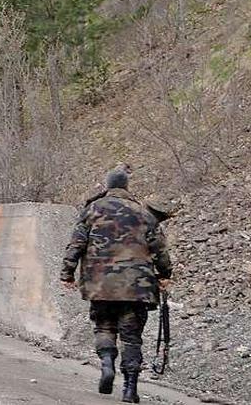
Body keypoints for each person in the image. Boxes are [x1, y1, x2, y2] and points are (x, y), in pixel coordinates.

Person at [61, 168, 173, 403]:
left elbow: (76, 244)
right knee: (131, 338)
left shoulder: (91, 210)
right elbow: (159, 249)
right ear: (127, 187)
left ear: (107, 185)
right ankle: (130, 390)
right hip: (136, 287)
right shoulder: (144, 213)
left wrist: (67, 273)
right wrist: (165, 274)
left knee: (104, 328)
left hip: (100, 285)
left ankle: (107, 362)